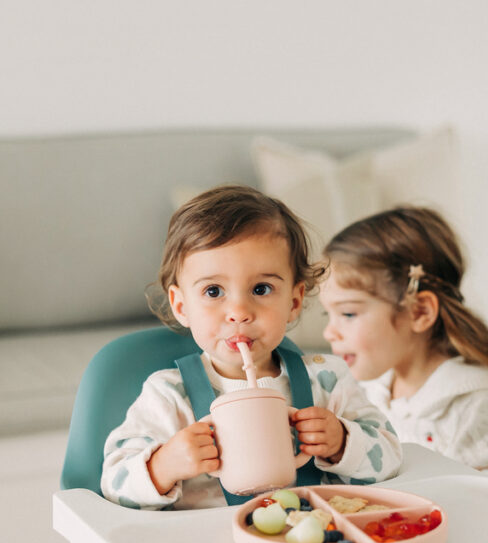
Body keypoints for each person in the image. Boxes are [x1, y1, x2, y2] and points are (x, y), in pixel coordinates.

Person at [102, 184, 402, 509]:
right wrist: (165, 465)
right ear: (181, 305)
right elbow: (114, 485)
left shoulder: (327, 380)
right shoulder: (169, 396)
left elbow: (390, 456)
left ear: (294, 301)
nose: (240, 313)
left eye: (261, 288)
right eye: (214, 291)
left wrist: (343, 442)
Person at [319, 206, 488, 507]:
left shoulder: (474, 405)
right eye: (330, 314)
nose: (330, 333)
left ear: (419, 312)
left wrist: (467, 506)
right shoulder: (371, 392)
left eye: (348, 313)